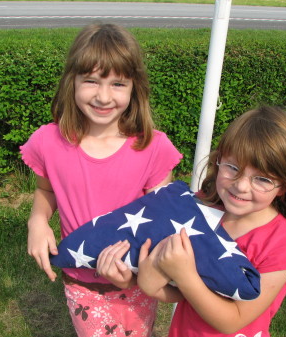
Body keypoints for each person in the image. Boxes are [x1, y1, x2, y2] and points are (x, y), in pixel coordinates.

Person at [20, 23, 182, 337]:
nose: (103, 96)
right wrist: (37, 221)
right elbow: (45, 191)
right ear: (72, 81)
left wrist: (139, 276)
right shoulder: (48, 142)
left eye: (118, 84)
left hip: (137, 281)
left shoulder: (153, 147)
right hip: (83, 284)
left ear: (135, 87)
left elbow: (165, 220)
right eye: (91, 81)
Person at [137, 106, 286, 337]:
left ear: (284, 186)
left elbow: (233, 321)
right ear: (219, 160)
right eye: (233, 167)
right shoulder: (200, 211)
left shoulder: (282, 245)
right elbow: (188, 293)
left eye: (262, 179)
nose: (241, 185)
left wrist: (184, 274)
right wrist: (155, 287)